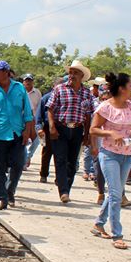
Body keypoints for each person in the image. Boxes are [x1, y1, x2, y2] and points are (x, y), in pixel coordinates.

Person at [89, 73, 131, 250]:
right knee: (117, 194)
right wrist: (110, 133)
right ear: (121, 89)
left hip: (126, 154)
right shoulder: (105, 107)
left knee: (114, 194)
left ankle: (99, 223)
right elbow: (93, 129)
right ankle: (117, 234)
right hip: (109, 154)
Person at [0, 60, 34, 210]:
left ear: (6, 72)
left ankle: (10, 191)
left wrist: (27, 131)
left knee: (18, 165)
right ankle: (1, 198)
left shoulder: (19, 89)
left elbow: (28, 112)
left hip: (17, 133)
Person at [47, 60, 95, 203]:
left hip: (77, 129)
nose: (72, 75)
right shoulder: (60, 89)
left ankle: (66, 186)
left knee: (72, 162)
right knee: (60, 160)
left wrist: (87, 135)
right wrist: (51, 126)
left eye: (75, 73)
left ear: (81, 76)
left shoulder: (86, 93)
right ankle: (63, 191)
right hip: (61, 128)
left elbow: (88, 115)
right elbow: (50, 108)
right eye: (71, 72)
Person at [21, 74, 42, 169]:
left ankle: (28, 156)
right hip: (21, 120)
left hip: (34, 120)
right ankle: (23, 160)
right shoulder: (19, 91)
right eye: (26, 80)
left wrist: (38, 120)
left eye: (30, 80)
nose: (28, 82)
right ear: (23, 82)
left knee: (36, 141)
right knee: (22, 140)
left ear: (33, 82)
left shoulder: (37, 92)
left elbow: (39, 107)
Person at [36, 88, 54, 183]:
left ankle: (59, 177)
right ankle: (43, 174)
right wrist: (39, 128)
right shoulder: (46, 98)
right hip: (47, 128)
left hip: (61, 127)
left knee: (60, 154)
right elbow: (39, 115)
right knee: (46, 153)